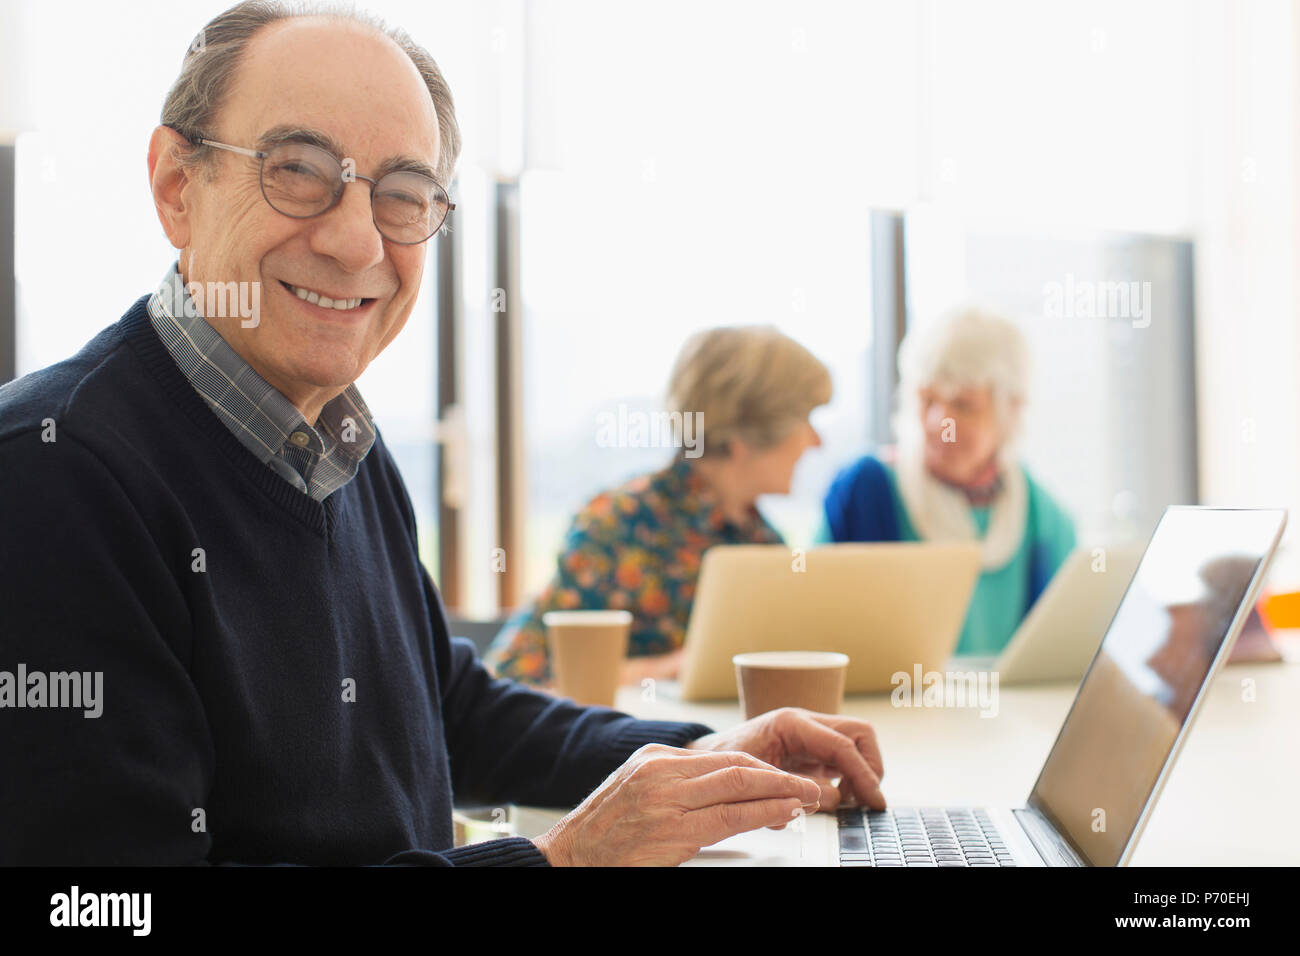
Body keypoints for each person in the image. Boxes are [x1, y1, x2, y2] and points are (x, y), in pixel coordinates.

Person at [0, 1, 885, 867]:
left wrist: (708, 755)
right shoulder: (54, 479)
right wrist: (562, 861)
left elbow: (452, 709)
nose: (356, 242)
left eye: (404, 193)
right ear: (175, 187)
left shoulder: (339, 441)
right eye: (299, 169)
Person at [485, 326, 831, 686]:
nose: (818, 441)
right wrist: (665, 671)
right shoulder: (618, 525)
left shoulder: (762, 540)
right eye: (806, 418)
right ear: (745, 434)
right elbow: (508, 682)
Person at [821, 306, 1076, 656]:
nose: (939, 424)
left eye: (963, 404)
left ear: (1011, 408)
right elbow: (810, 632)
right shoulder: (862, 493)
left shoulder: (1044, 518)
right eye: (927, 400)